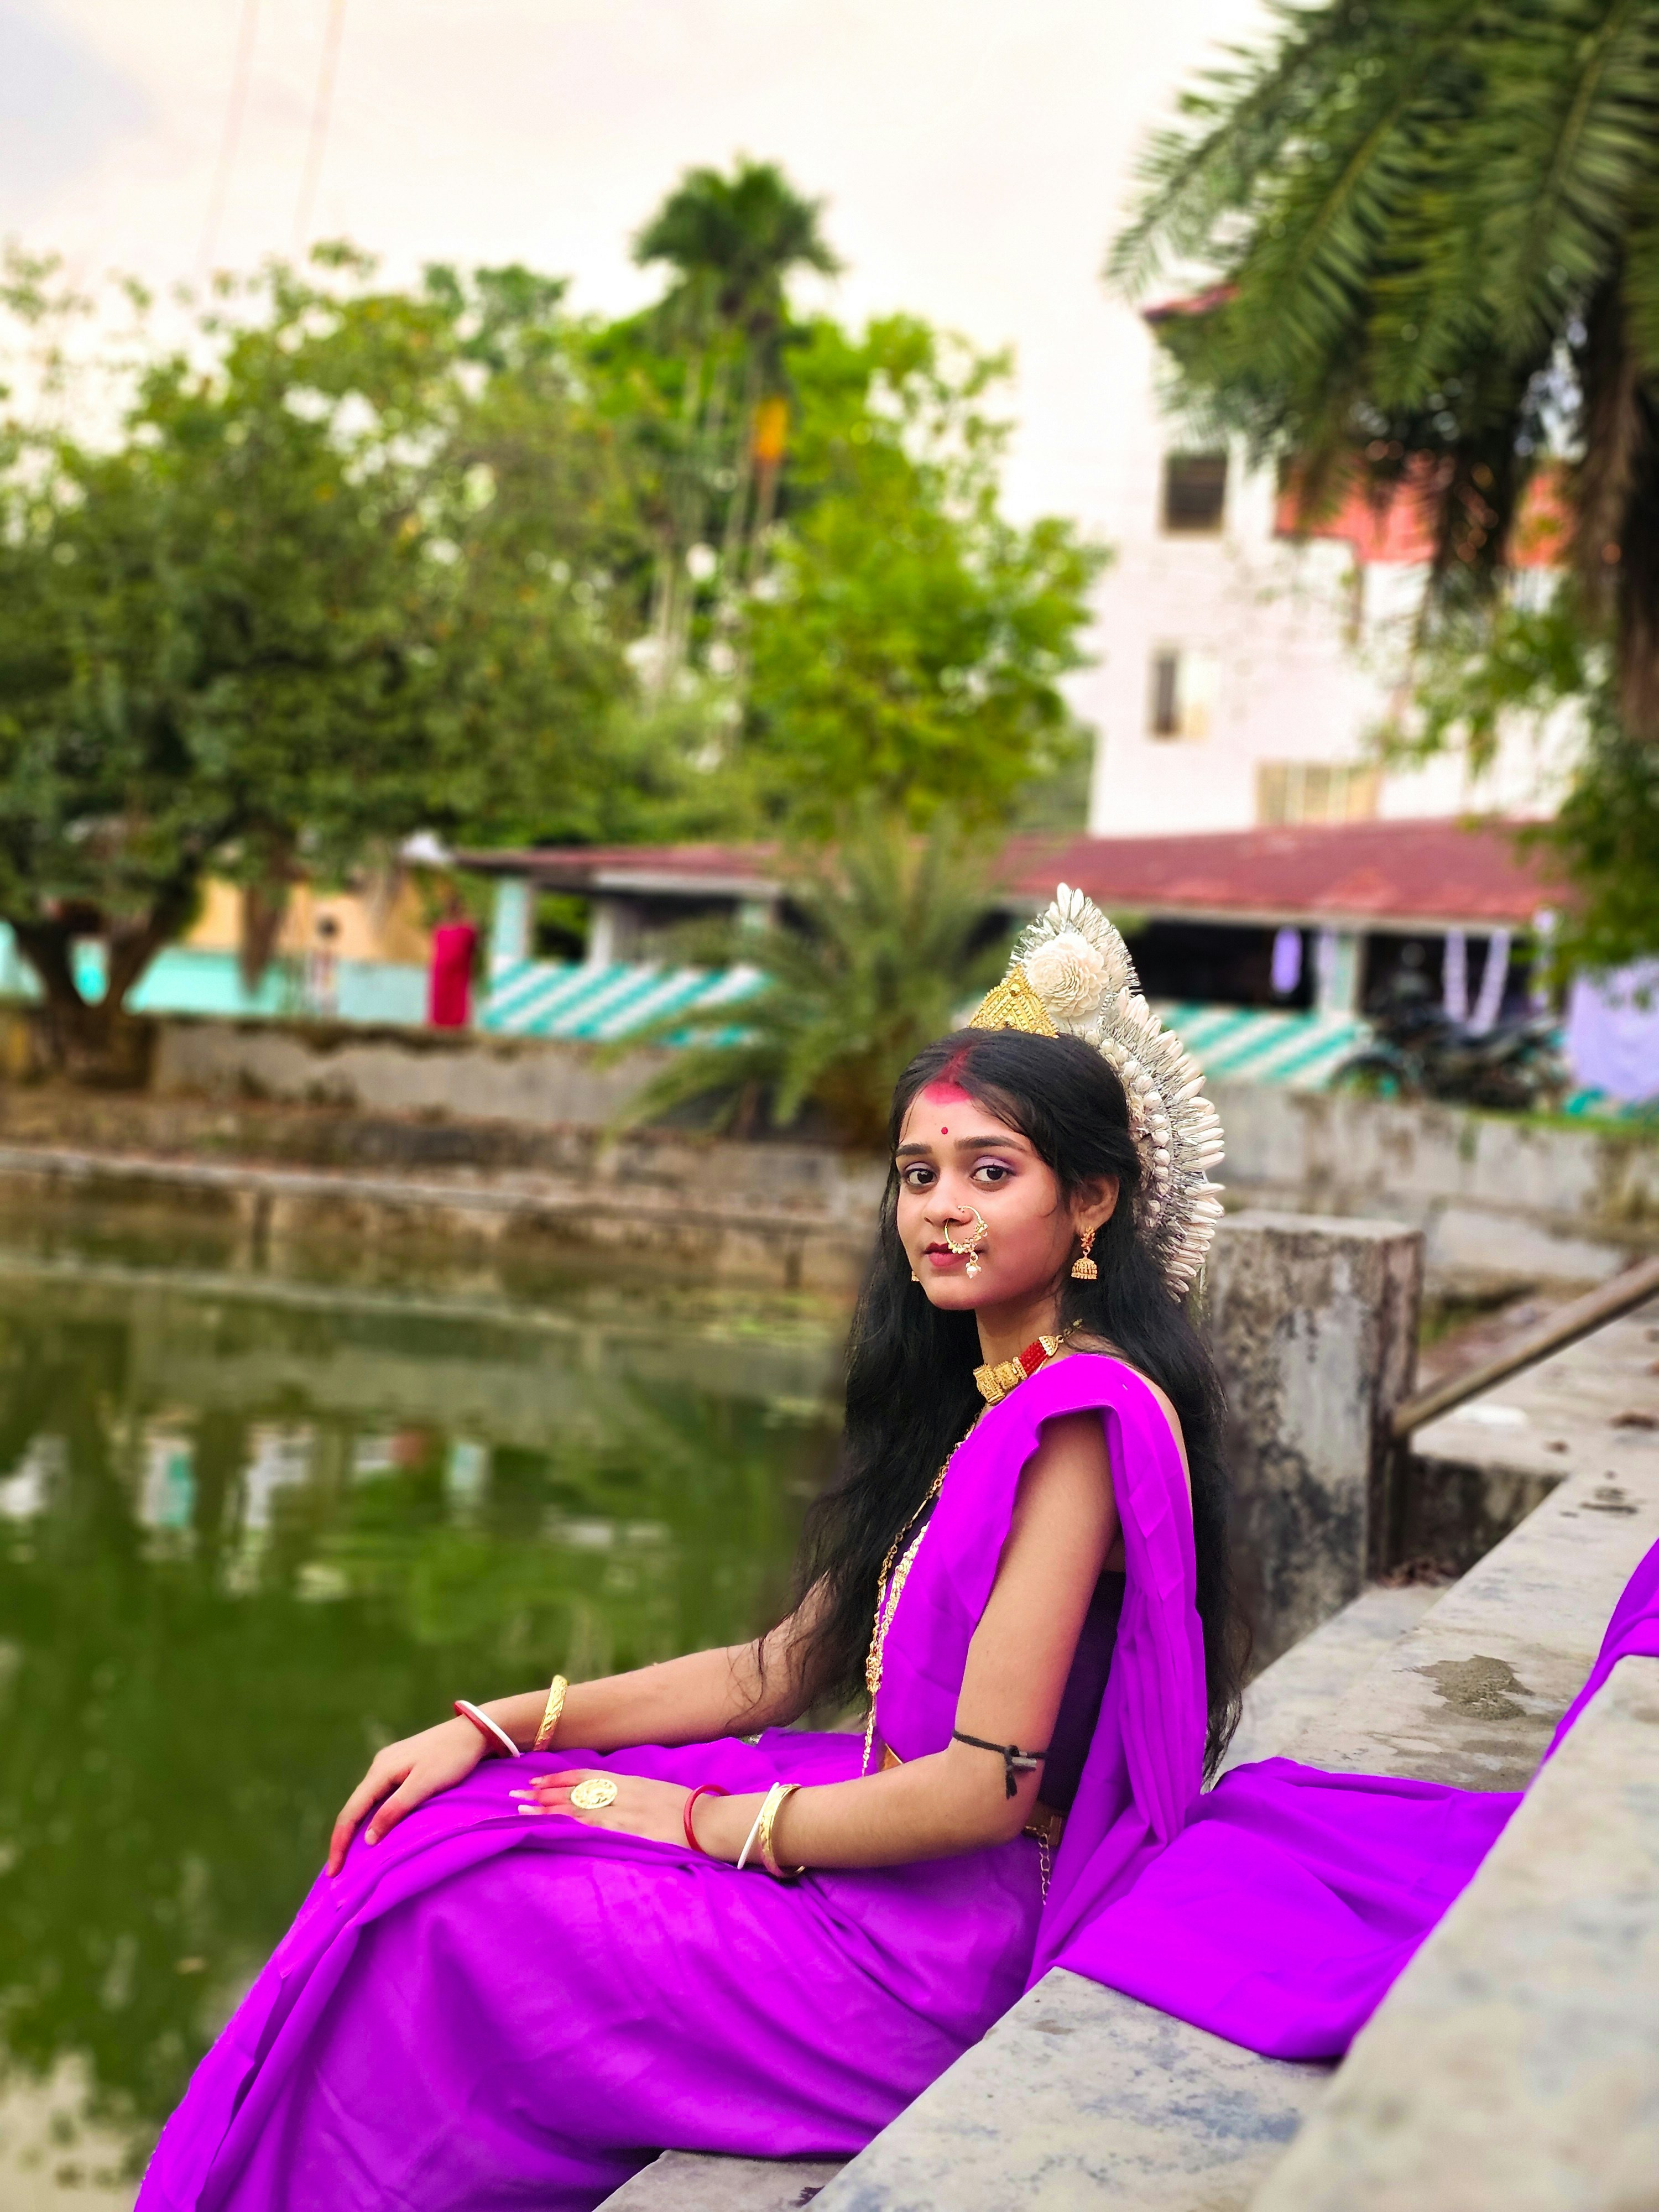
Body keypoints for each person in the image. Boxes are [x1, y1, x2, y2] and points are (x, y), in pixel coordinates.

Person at [134, 888, 1659, 2211]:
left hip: (930, 1948)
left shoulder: (1080, 1422)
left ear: (1093, 1205)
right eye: (920, 1174)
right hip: (871, 1857)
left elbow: (982, 1792)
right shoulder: (982, 1396)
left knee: (466, 1911)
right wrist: (494, 1724)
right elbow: (787, 1663)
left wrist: (684, 1826)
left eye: (991, 1172)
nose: (940, 1209)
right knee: (455, 1827)